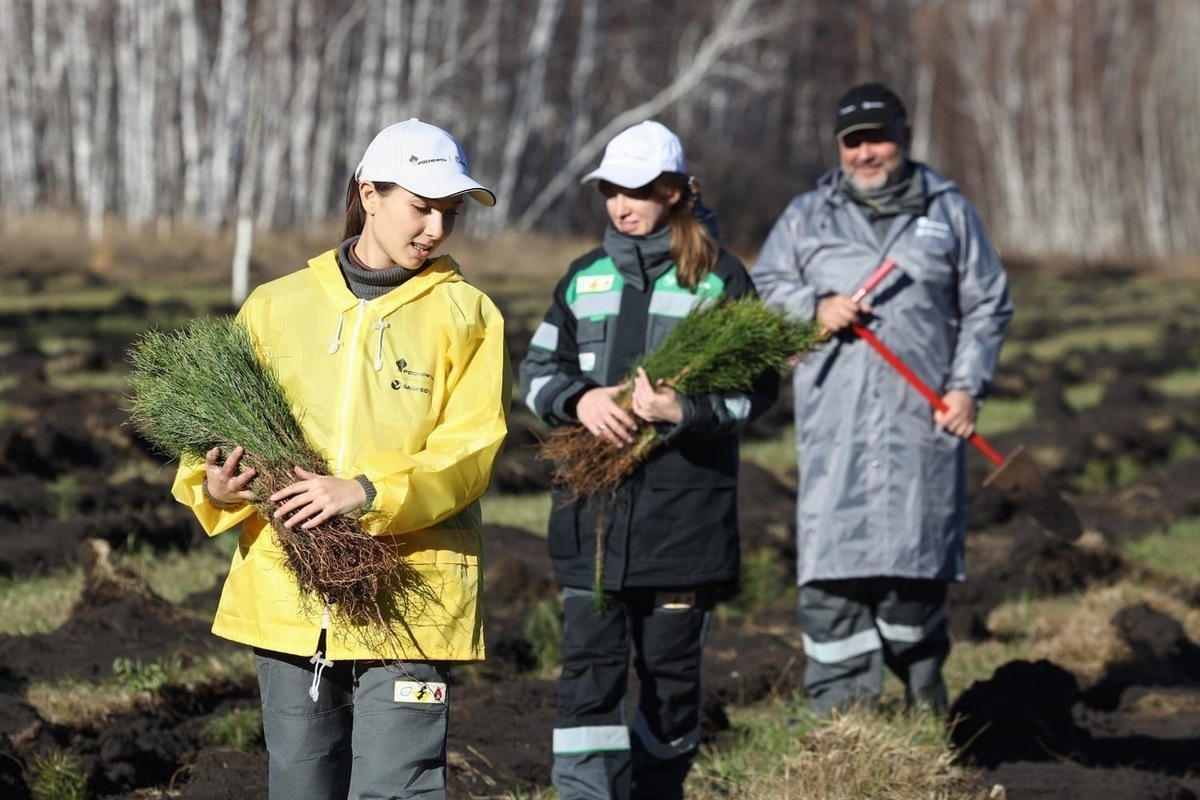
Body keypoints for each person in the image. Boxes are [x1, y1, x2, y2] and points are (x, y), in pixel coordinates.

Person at [171, 118, 510, 799]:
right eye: (422, 207)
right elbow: (206, 443)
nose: (436, 229)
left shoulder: (469, 315)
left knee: (397, 786)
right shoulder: (275, 307)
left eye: (450, 213)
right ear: (370, 194)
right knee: (301, 786)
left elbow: (470, 451)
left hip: (411, 596)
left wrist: (365, 491)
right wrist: (217, 485)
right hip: (289, 596)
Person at [519, 120, 778, 800]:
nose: (619, 205)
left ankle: (658, 791)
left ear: (673, 192)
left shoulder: (720, 280)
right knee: (587, 678)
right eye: (610, 190)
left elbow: (757, 392)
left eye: (634, 191)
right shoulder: (584, 279)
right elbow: (537, 371)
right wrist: (579, 403)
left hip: (681, 530)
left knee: (670, 683)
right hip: (591, 524)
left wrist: (681, 413)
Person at [753, 82, 1013, 716]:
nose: (867, 153)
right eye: (854, 142)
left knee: (914, 580)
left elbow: (987, 304)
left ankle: (924, 718)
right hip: (834, 428)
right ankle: (844, 734)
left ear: (904, 138)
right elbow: (764, 287)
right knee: (832, 580)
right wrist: (812, 307)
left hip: (922, 426)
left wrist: (964, 385)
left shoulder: (949, 214)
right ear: (840, 146)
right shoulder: (806, 216)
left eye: (879, 139)